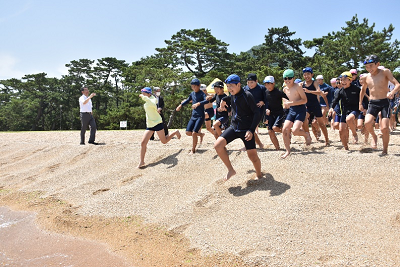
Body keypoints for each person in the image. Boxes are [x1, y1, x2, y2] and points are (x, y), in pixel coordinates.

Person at [214, 74, 262, 181]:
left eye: (232, 85)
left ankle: (259, 174)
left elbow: (257, 113)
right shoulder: (233, 94)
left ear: (238, 84)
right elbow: (231, 97)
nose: (229, 88)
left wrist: (251, 129)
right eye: (228, 86)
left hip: (246, 130)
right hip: (234, 127)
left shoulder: (247, 95)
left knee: (253, 156)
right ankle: (231, 170)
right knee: (217, 145)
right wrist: (223, 100)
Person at [359, 55, 400, 155]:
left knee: (384, 128)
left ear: (378, 64)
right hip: (373, 103)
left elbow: (397, 84)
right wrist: (360, 103)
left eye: (371, 66)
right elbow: (363, 90)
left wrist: (392, 92)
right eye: (367, 67)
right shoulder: (366, 77)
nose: (369, 68)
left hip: (384, 102)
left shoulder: (385, 72)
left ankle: (385, 150)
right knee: (367, 123)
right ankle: (374, 136)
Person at [137, 87, 181, 168]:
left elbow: (152, 103)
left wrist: (143, 97)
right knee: (143, 143)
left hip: (157, 123)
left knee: (164, 141)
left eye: (144, 93)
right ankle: (142, 161)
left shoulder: (153, 99)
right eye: (142, 93)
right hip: (150, 125)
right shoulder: (147, 100)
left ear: (149, 94)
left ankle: (175, 132)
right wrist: (144, 97)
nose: (143, 95)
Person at [328, 72, 364, 150]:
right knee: (341, 130)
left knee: (349, 119)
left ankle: (354, 134)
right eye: (341, 80)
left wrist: (363, 107)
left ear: (350, 80)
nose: (342, 82)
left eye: (345, 80)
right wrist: (331, 108)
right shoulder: (340, 91)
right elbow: (335, 100)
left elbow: (362, 98)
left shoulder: (356, 89)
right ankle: (346, 146)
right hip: (345, 111)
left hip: (355, 109)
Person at [280, 69, 310, 159]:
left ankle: (306, 135)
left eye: (289, 78)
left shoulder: (297, 87)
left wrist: (291, 103)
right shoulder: (285, 89)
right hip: (292, 110)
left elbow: (305, 100)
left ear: (294, 78)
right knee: (284, 129)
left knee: (295, 131)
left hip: (300, 109)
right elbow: (285, 101)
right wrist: (285, 103)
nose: (287, 80)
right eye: (285, 78)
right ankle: (287, 151)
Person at [176, 78, 207, 154]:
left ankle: (193, 149)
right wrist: (180, 105)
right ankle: (201, 134)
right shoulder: (192, 94)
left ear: (199, 86)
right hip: (194, 116)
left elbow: (206, 100)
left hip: (200, 116)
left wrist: (198, 103)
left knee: (194, 133)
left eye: (195, 86)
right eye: (192, 86)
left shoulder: (202, 93)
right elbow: (187, 100)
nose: (194, 88)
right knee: (188, 132)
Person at [302, 67, 330, 145]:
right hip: (307, 106)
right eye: (305, 75)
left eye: (308, 74)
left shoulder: (315, 83)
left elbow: (319, 92)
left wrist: (309, 91)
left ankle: (327, 140)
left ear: (312, 75)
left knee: (321, 124)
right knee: (303, 120)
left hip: (315, 105)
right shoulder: (302, 84)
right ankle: (308, 137)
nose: (306, 76)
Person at [263, 75, 288, 150]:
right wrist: (266, 109)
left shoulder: (278, 92)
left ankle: (286, 133)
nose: (267, 86)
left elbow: (288, 97)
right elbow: (266, 103)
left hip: (279, 113)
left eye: (269, 84)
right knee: (270, 131)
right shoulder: (265, 92)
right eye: (266, 84)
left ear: (273, 83)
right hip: (271, 114)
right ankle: (277, 148)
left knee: (275, 128)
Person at [243, 73, 266, 149]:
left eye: (252, 82)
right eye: (248, 82)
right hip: (248, 111)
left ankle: (250, 146)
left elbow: (268, 98)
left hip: (258, 111)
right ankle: (259, 144)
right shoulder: (245, 89)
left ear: (256, 81)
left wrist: (263, 102)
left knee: (250, 128)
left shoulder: (262, 88)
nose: (250, 84)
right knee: (248, 128)